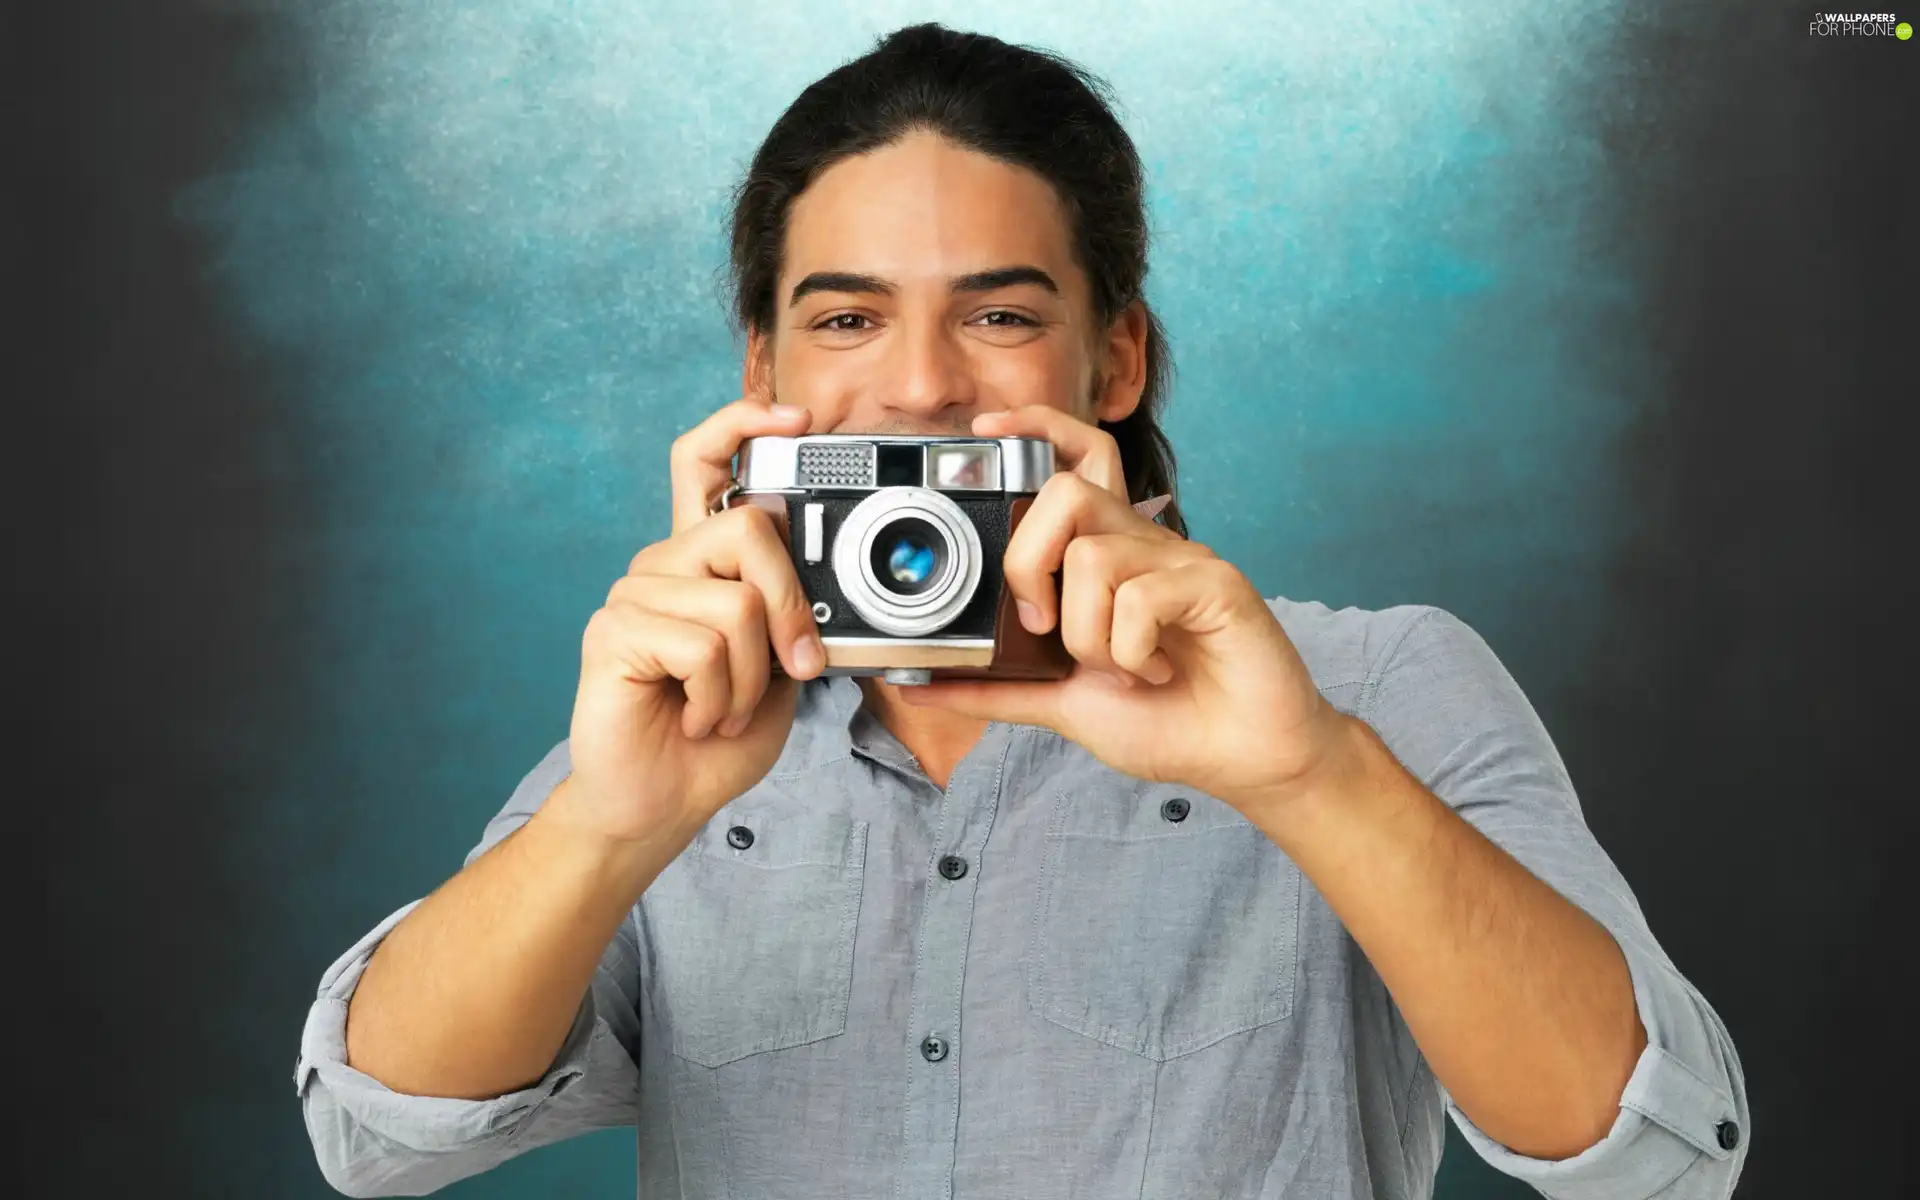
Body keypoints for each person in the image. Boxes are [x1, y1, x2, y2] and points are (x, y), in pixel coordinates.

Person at [295, 23, 1748, 1200]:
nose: (921, 384)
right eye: (848, 318)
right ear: (766, 374)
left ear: (1116, 360)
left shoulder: (1377, 681)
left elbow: (1655, 1158)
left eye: (998, 314)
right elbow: (374, 1135)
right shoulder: (687, 725)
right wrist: (608, 828)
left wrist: (1309, 774)